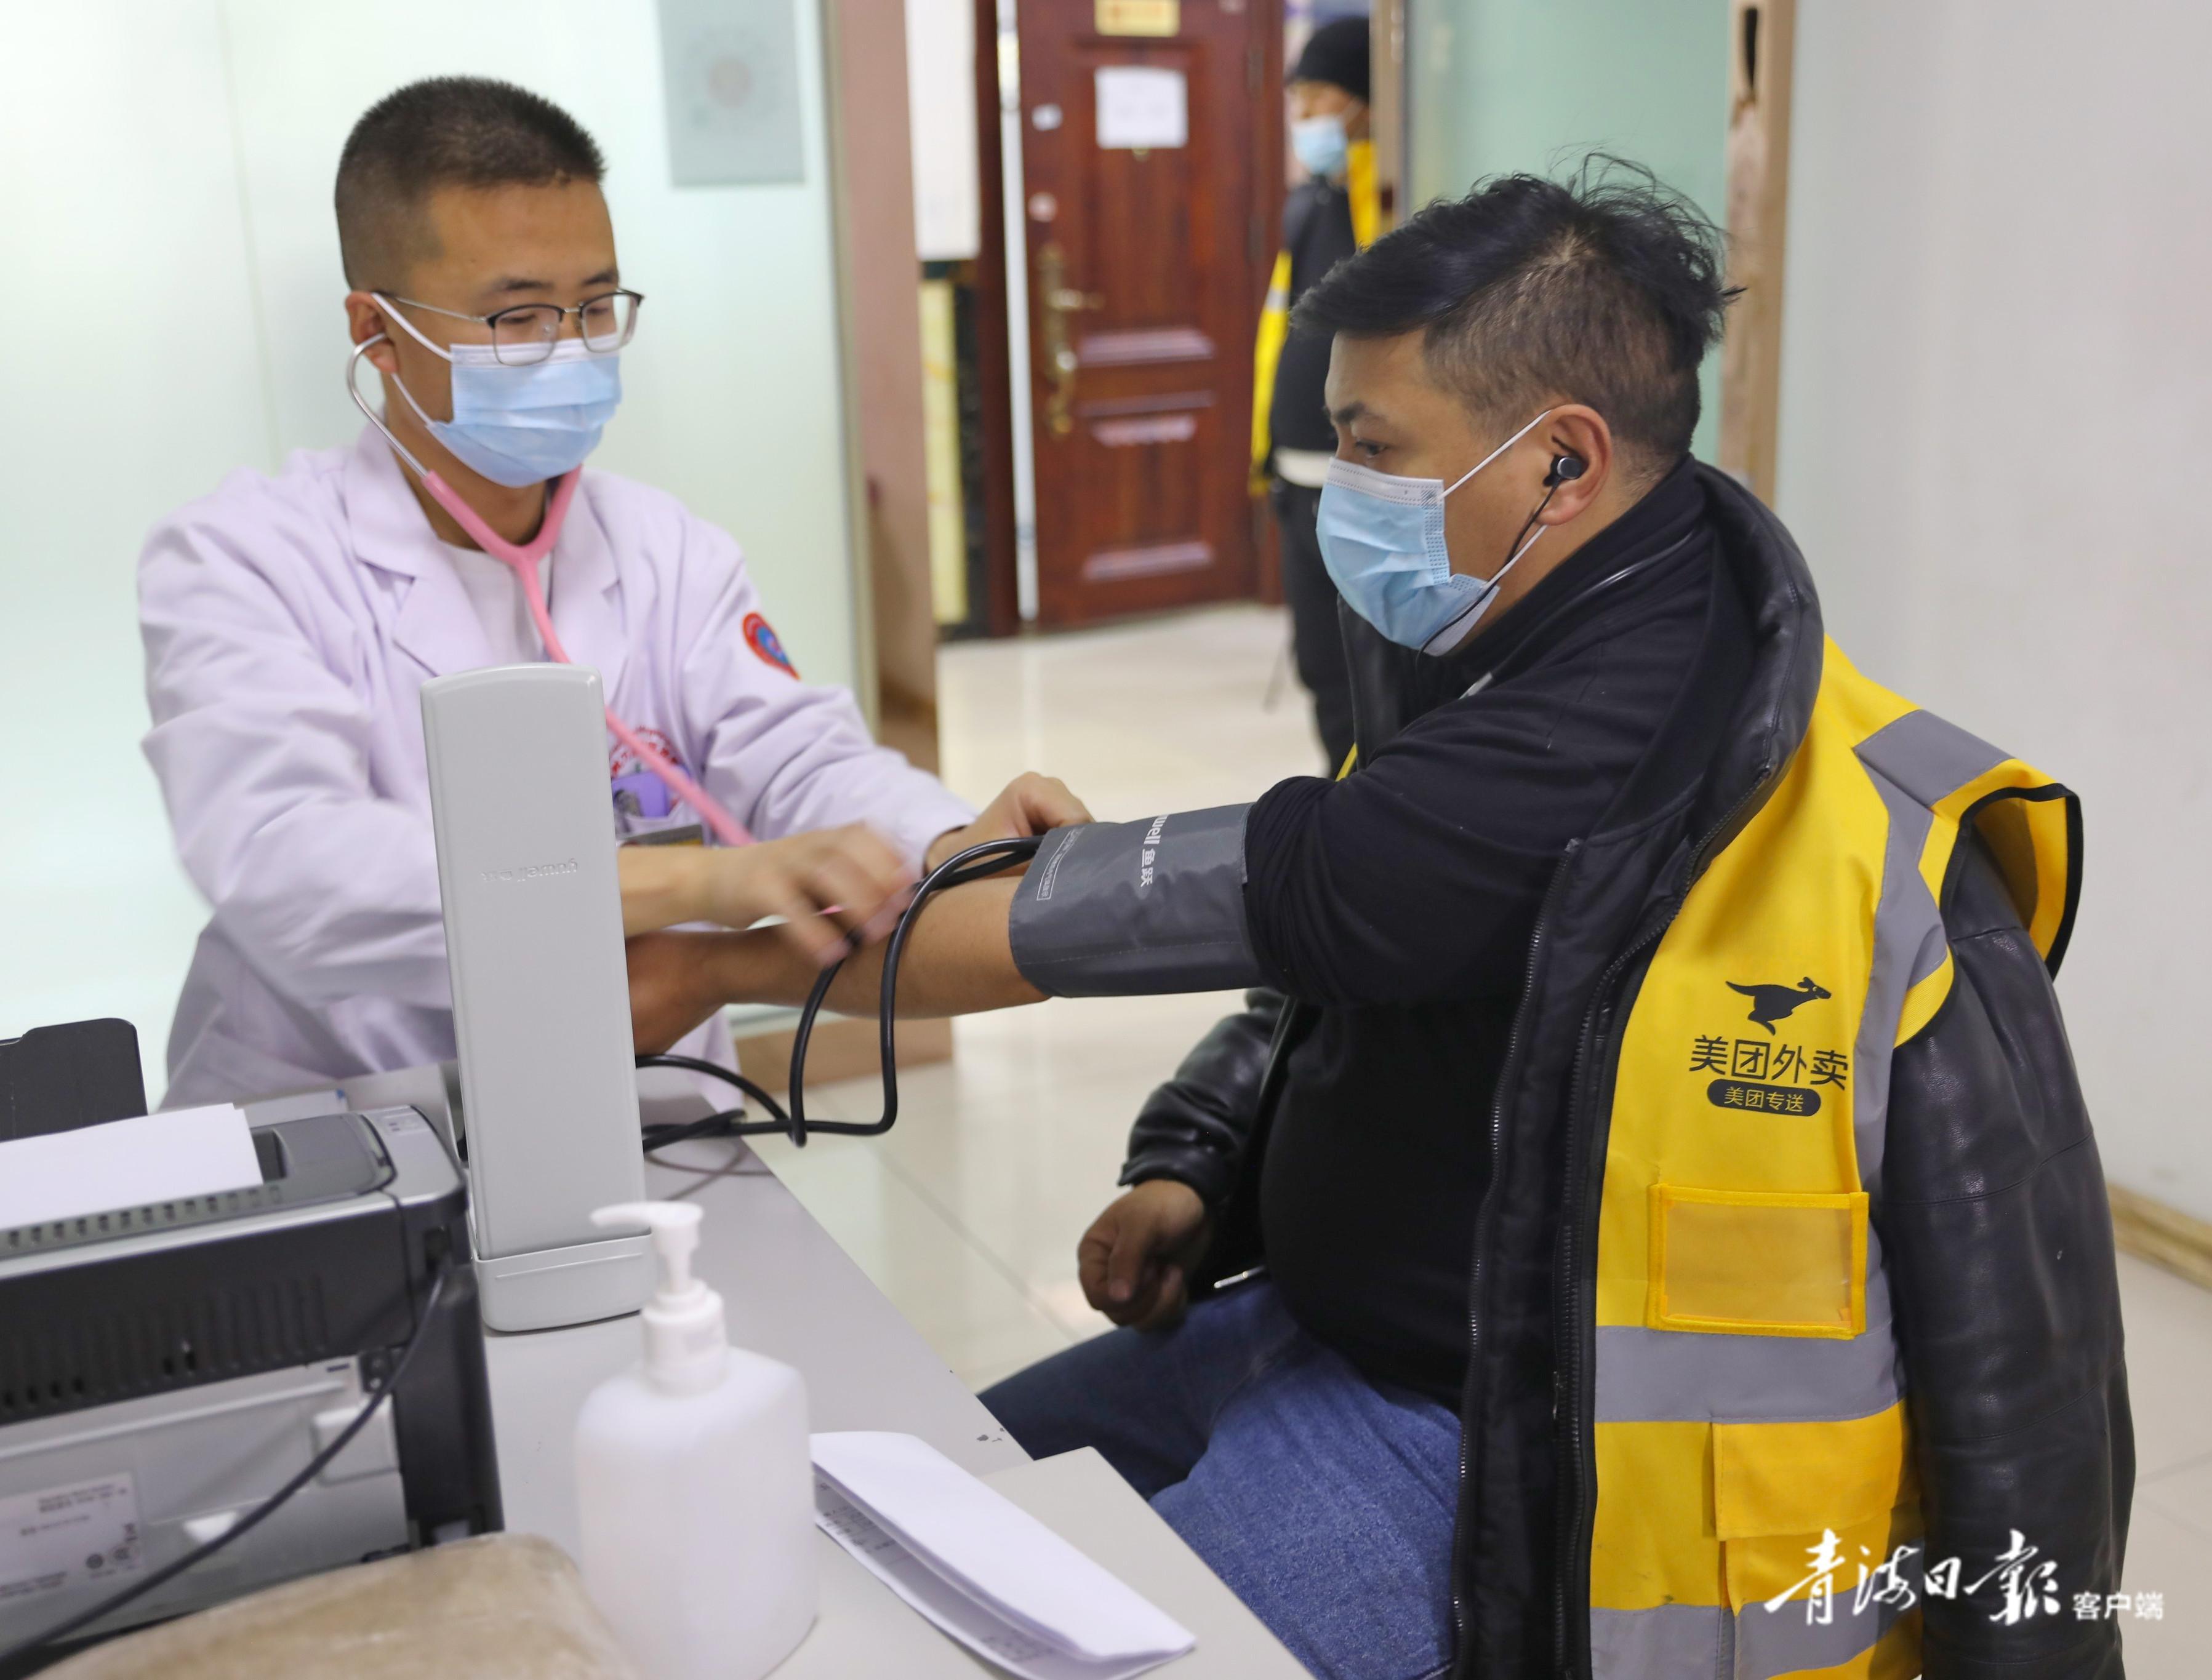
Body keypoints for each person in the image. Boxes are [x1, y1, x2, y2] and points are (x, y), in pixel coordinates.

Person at [689, 163, 2131, 1679]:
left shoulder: (1775, 816)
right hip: (1286, 1320)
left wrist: (677, 964)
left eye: (1372, 449)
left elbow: (2030, 1376)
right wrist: (1203, 1165)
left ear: (1558, 462)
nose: (1340, 491)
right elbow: (1362, 961)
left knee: (970, 1647)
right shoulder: (1543, 607)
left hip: (1479, 1441)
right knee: (884, 1519)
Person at [139, 77, 1081, 1108]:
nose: (572, 348)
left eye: (595, 305)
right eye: (516, 316)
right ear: (375, 331)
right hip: (346, 1102)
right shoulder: (241, 557)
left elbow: (798, 758)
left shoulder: (664, 549)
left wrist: (946, 845)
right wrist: (701, 886)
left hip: (640, 1090)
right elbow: (293, 871)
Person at [1251, 16, 1379, 771]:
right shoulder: (1310, 205)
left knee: (1374, 675)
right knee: (1321, 667)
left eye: (1319, 95)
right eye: (1296, 97)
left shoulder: (1385, 199)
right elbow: (1279, 335)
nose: (1303, 115)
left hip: (1361, 482)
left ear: (1364, 100)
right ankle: (1342, 795)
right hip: (1295, 475)